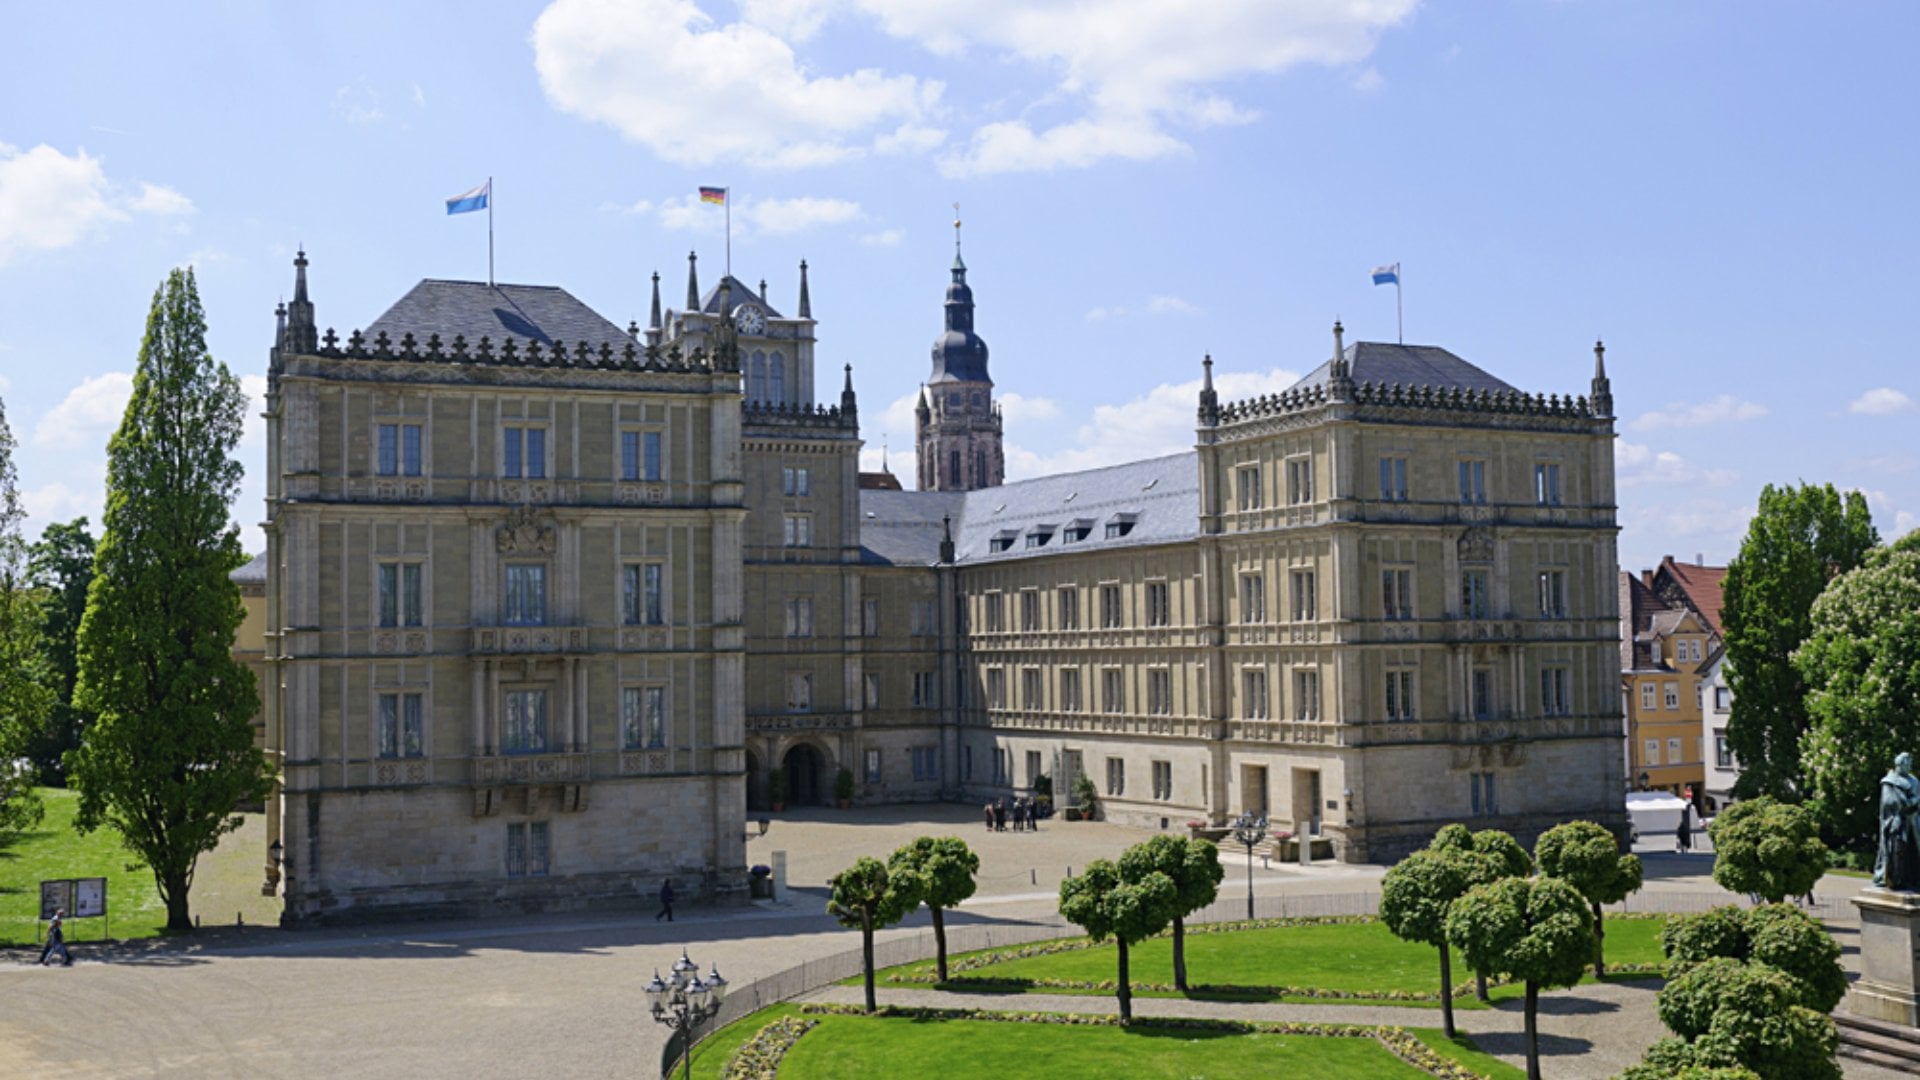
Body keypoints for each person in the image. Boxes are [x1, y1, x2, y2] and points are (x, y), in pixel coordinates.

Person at [1875, 751, 1920, 890]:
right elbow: (1891, 802)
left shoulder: (1914, 781)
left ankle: (1913, 880)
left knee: (1914, 852)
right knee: (1896, 851)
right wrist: (1911, 802)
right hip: (1896, 823)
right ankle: (1895, 879)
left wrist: (1912, 802)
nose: (1910, 766)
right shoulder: (1889, 781)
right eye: (1908, 763)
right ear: (1900, 764)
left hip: (1914, 823)